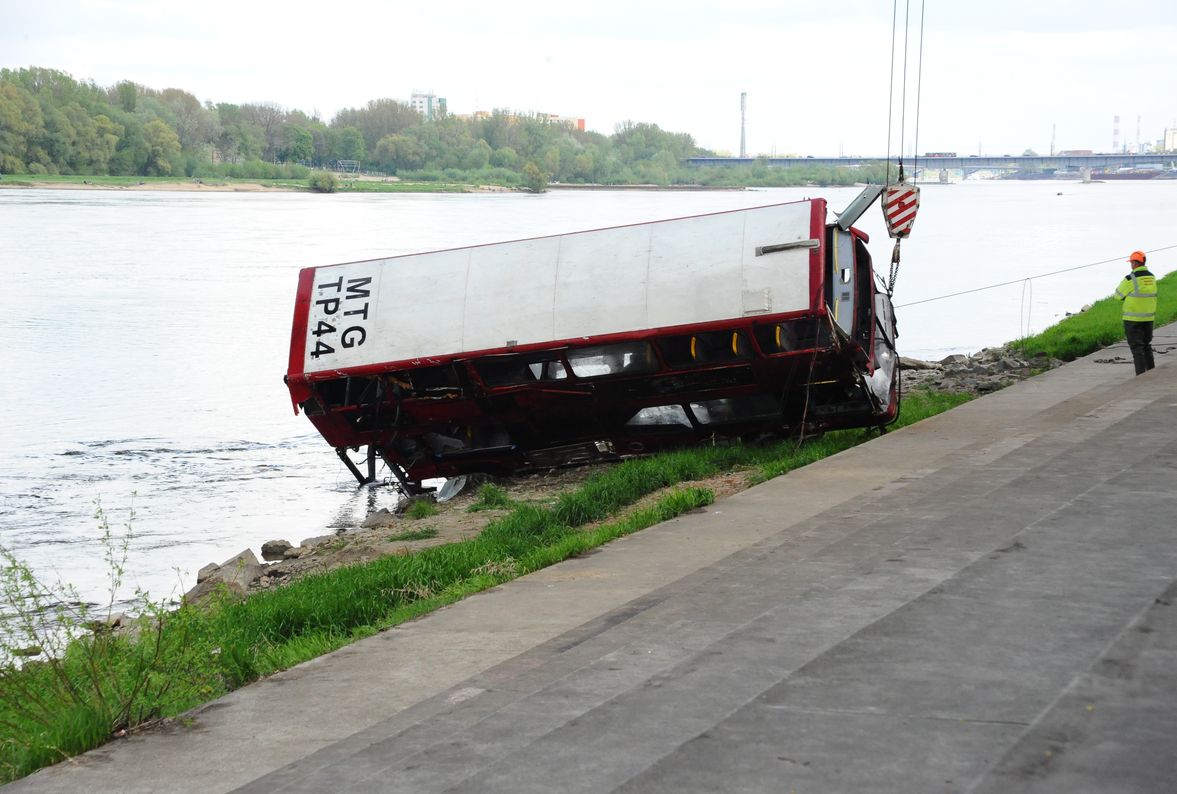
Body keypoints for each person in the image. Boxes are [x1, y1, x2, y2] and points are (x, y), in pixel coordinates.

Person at [1114, 250, 1158, 375]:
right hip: (1148, 318)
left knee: (1137, 348)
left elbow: (1117, 295)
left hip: (1132, 320)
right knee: (1146, 345)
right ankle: (1151, 372)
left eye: (1131, 262)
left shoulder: (1131, 278)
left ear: (1134, 263)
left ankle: (1141, 377)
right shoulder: (1151, 276)